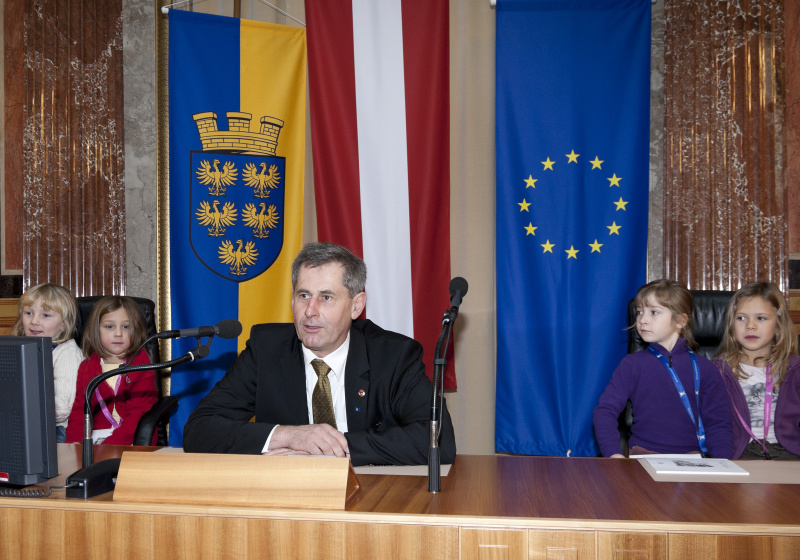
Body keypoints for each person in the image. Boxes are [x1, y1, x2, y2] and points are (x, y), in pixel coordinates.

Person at [183, 242, 456, 466]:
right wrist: (286, 436)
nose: (310, 311)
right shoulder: (266, 349)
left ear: (356, 306)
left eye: (326, 297)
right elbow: (199, 429)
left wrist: (335, 446)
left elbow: (438, 440)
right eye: (303, 296)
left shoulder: (392, 355)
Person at [593, 279, 733, 458]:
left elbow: (719, 424)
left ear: (680, 321)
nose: (642, 320)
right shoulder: (631, 364)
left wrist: (722, 464)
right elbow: (605, 411)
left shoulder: (706, 368)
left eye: (654, 312)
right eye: (639, 312)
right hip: (643, 457)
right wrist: (613, 454)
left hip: (693, 460)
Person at [714, 282, 800, 460]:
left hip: (789, 454)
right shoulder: (718, 371)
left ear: (778, 323)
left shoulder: (795, 369)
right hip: (740, 453)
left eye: (761, 318)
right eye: (741, 318)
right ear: (731, 324)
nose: (750, 326)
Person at [65, 296, 157, 445]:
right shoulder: (86, 368)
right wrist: (74, 443)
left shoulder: (141, 363)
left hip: (135, 437)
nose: (118, 333)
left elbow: (139, 413)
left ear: (136, 330)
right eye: (109, 327)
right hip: (98, 437)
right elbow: (80, 411)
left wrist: (110, 445)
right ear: (96, 330)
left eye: (126, 327)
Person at [12, 283, 83, 443]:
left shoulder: (67, 353)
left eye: (45, 315)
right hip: (23, 425)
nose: (34, 321)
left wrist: (21, 406)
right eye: (29, 313)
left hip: (56, 431)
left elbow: (62, 408)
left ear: (64, 324)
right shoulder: (21, 349)